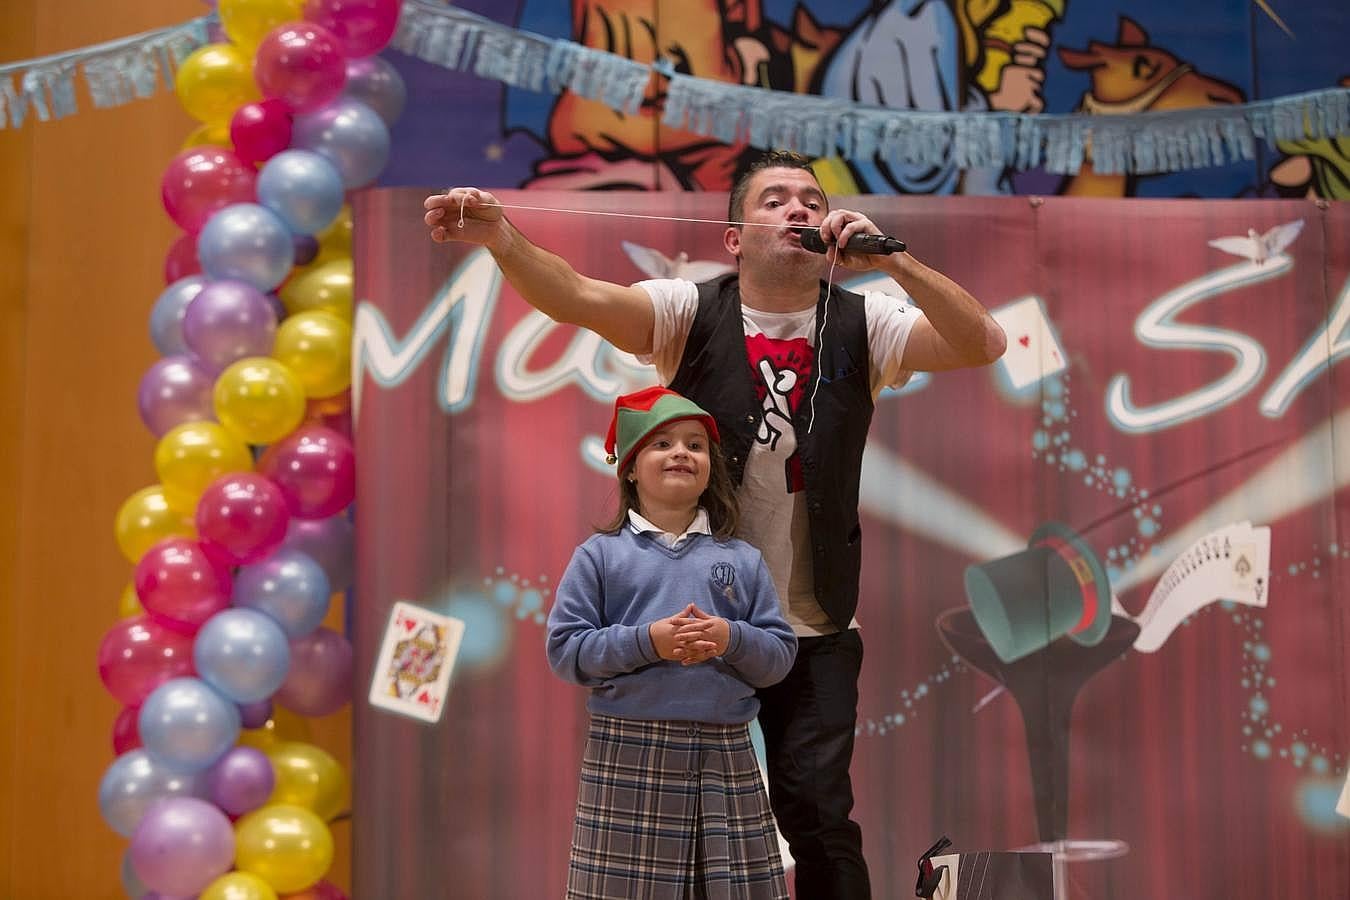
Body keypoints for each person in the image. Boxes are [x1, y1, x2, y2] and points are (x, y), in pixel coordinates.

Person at [426, 149, 1007, 898]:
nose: (797, 209)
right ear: (734, 235)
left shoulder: (869, 322)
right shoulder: (686, 309)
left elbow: (983, 343)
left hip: (815, 621)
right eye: (773, 200)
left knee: (820, 815)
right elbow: (572, 294)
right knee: (680, 827)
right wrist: (504, 238)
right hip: (700, 619)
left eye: (809, 199)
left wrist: (893, 260)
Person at [546, 385, 797, 899]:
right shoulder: (599, 557)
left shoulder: (743, 559)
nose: (681, 452)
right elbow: (566, 652)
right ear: (631, 468)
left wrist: (730, 637)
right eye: (662, 444)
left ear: (710, 469)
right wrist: (648, 642)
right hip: (628, 751)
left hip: (724, 750)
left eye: (695, 445)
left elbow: (778, 657)